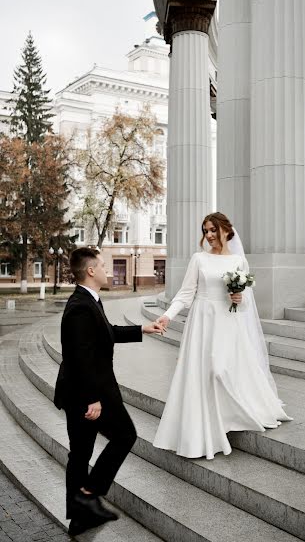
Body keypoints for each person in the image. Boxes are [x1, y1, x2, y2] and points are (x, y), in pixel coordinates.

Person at [153, 212, 292, 460]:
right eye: (205, 231)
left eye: (213, 230)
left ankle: (229, 419)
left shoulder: (239, 261)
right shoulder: (199, 259)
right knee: (206, 373)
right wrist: (167, 316)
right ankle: (206, 431)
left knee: (220, 370)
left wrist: (238, 298)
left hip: (228, 321)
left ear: (226, 230)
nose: (208, 236)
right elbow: (186, 294)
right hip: (203, 320)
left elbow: (247, 305)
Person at [54, 247, 164, 536]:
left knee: (80, 454)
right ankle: (88, 495)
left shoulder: (89, 301)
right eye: (102, 265)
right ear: (90, 271)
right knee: (125, 435)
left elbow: (107, 333)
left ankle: (79, 517)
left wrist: (144, 329)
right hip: (86, 393)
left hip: (82, 390)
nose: (107, 269)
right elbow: (79, 355)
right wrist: (93, 398)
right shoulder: (80, 306)